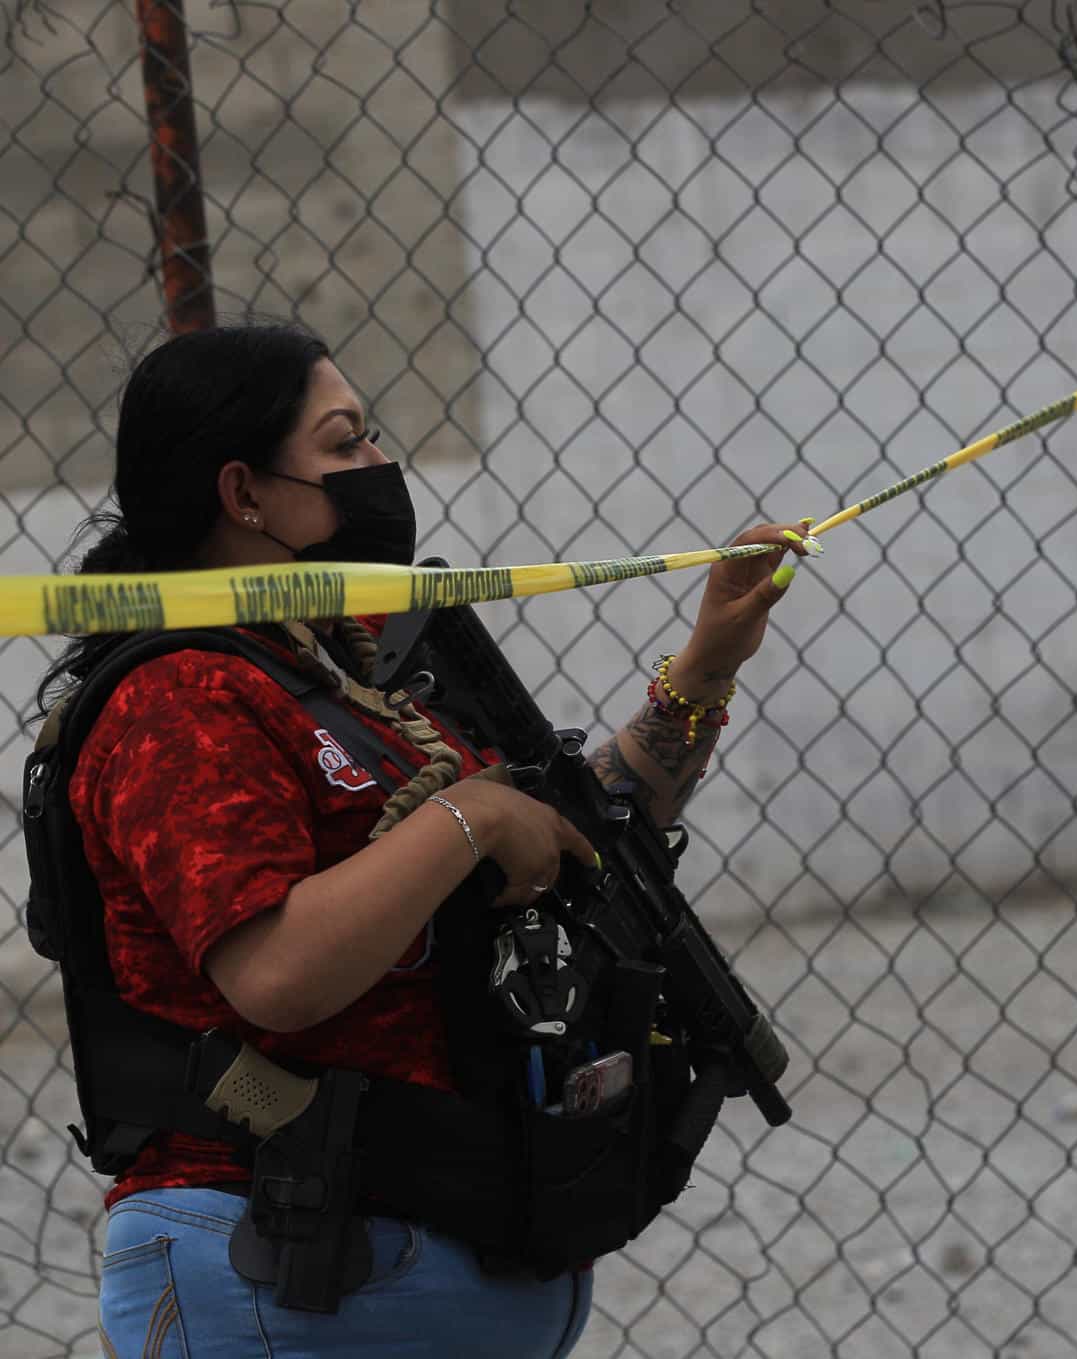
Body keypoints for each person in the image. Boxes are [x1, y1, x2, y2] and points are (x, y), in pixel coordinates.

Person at [36, 322, 812, 1357]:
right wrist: (471, 816)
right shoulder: (179, 695)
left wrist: (707, 664)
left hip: (417, 1240)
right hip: (282, 1256)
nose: (378, 467)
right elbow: (278, 970)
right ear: (244, 494)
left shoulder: (340, 676)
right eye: (345, 441)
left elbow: (579, 834)